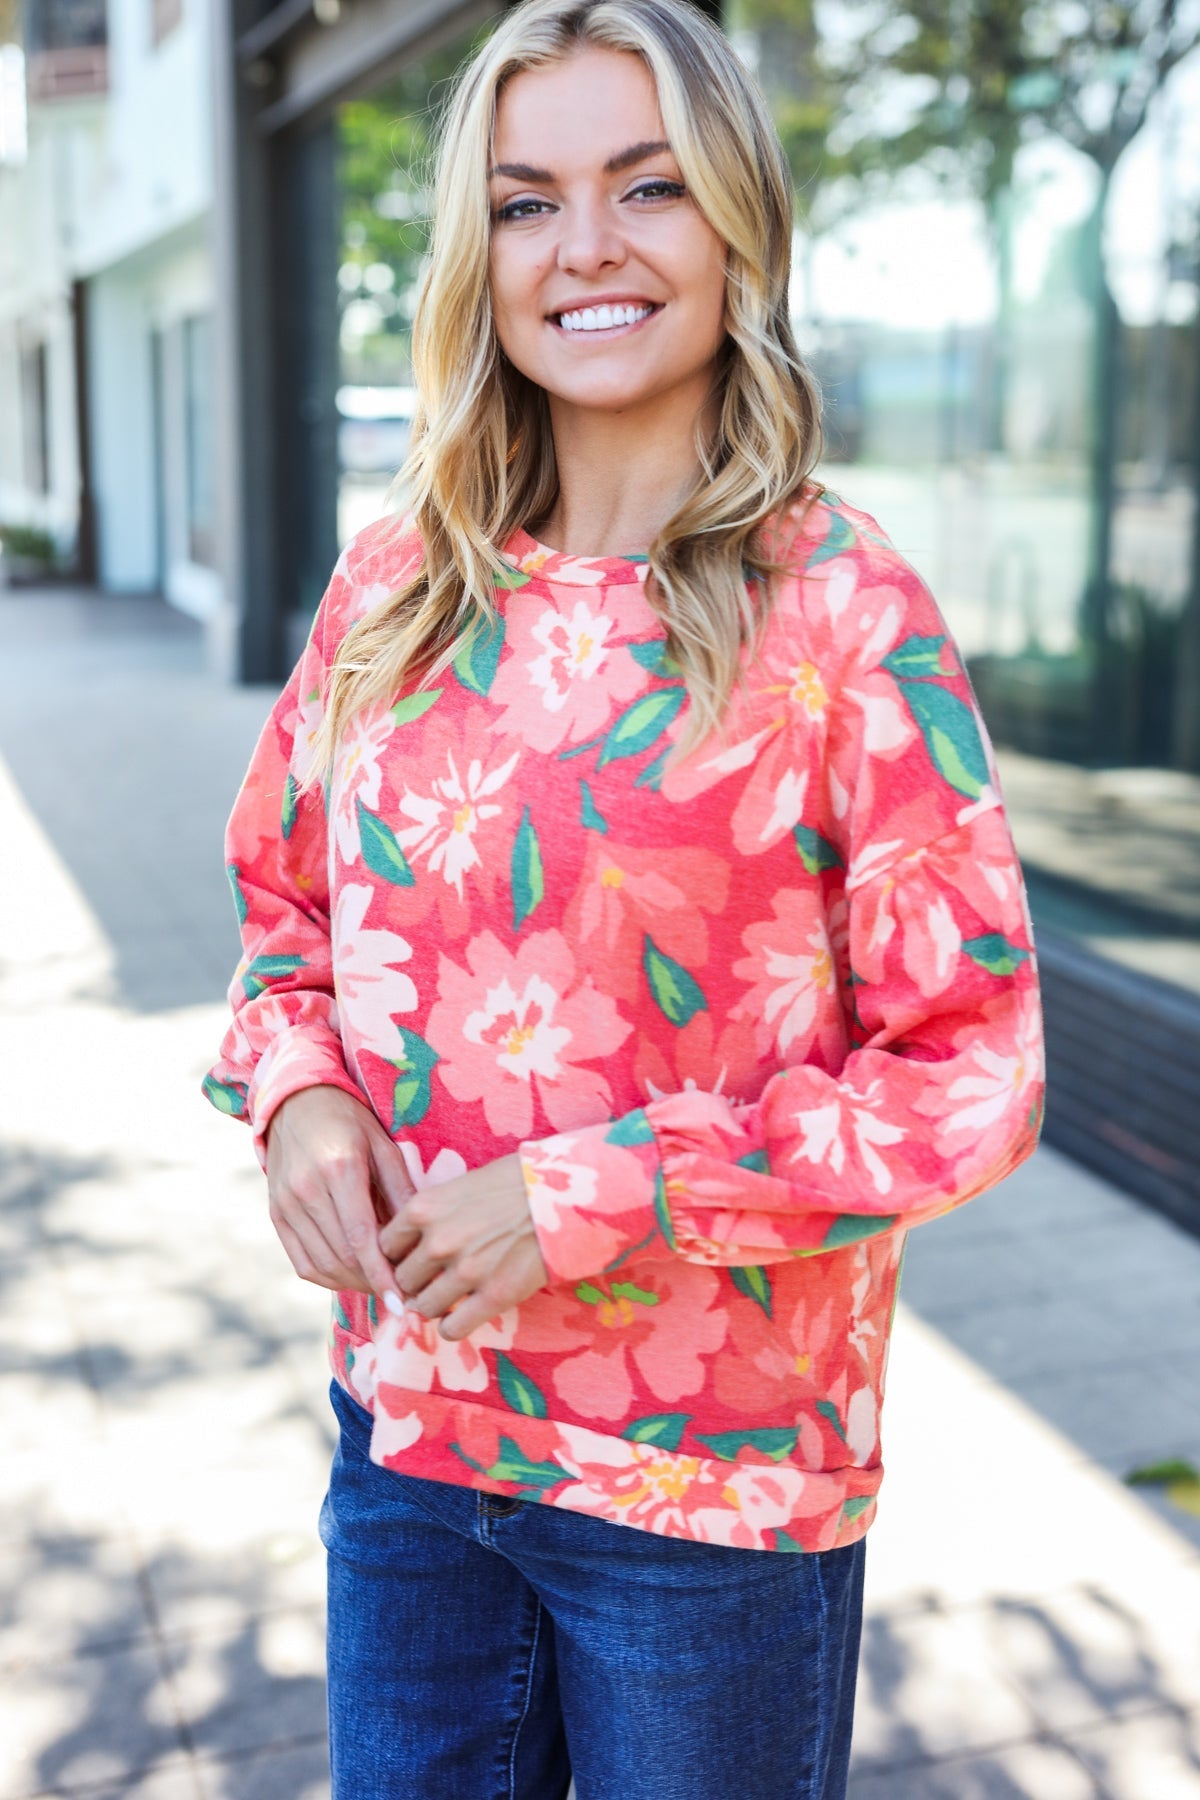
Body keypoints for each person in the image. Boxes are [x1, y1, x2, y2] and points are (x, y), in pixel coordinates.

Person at [204, 1, 1044, 1793]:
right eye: (527, 202)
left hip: (713, 1499)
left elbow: (971, 1072)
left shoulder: (843, 607)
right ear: (478, 253)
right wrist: (298, 1102)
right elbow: (282, 921)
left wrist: (598, 1194)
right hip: (408, 1444)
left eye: (645, 186)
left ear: (737, 222)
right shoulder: (395, 588)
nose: (584, 245)